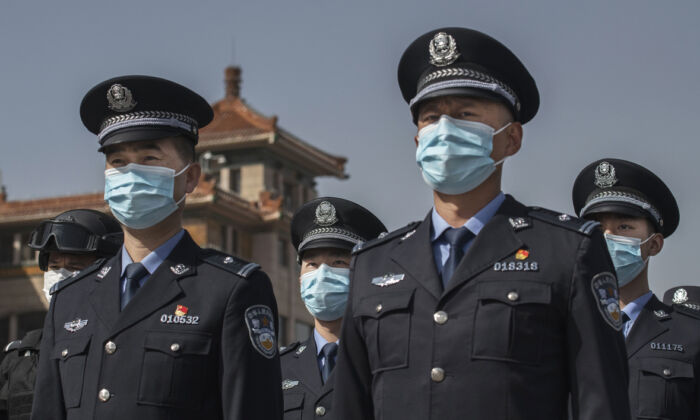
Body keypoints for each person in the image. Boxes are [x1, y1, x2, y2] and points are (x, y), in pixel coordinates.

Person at [333, 27, 630, 420]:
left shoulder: (567, 250)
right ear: (417, 140)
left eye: (465, 114)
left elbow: (601, 403)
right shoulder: (373, 263)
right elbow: (351, 406)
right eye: (431, 117)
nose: (444, 129)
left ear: (511, 139)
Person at [31, 76, 283, 420]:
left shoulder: (230, 290)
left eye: (150, 158)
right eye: (117, 162)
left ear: (190, 177)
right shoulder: (70, 298)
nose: (131, 174)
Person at [573, 158, 700, 419]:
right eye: (597, 228)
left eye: (624, 227)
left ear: (654, 245)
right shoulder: (559, 325)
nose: (606, 238)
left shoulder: (691, 336)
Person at [0, 209, 121, 420]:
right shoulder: (21, 358)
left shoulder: (122, 349)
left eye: (74, 267)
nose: (61, 277)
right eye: (54, 266)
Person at [280, 197, 385, 419]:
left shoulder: (387, 360)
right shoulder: (277, 367)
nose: (322, 274)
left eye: (339, 262)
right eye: (312, 264)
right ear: (300, 278)